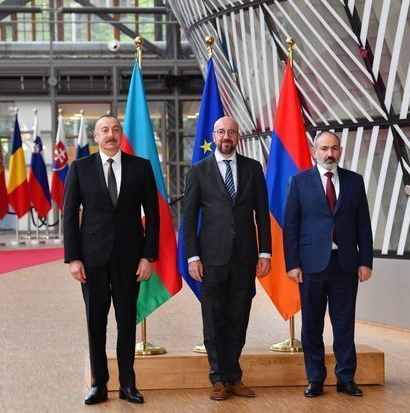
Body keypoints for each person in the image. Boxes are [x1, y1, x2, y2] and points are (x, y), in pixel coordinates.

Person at [63, 114, 159, 405]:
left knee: (127, 322)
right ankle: (99, 384)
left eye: (116, 129)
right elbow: (69, 217)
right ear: (96, 136)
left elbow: (153, 216)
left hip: (129, 260)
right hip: (91, 260)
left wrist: (148, 256)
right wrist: (73, 258)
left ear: (121, 134)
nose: (111, 134)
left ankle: (128, 384)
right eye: (104, 130)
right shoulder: (80, 168)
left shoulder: (140, 167)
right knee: (96, 323)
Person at [182, 116, 271, 401]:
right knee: (214, 318)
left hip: (245, 257)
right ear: (214, 136)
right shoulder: (199, 171)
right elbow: (188, 218)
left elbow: (262, 213)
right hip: (210, 258)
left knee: (238, 317)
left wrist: (265, 252)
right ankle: (217, 378)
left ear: (237, 137)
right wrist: (192, 257)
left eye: (231, 132)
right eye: (221, 132)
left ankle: (234, 377)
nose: (226, 137)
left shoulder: (253, 169)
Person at [283, 131, 373, 398]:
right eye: (324, 149)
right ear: (315, 152)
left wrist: (365, 261)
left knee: (344, 323)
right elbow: (291, 226)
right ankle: (315, 379)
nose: (329, 153)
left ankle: (346, 378)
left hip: (345, 264)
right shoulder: (299, 182)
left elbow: (363, 225)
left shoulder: (354, 181)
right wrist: (293, 263)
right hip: (311, 266)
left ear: (340, 151)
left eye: (334, 148)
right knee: (312, 325)